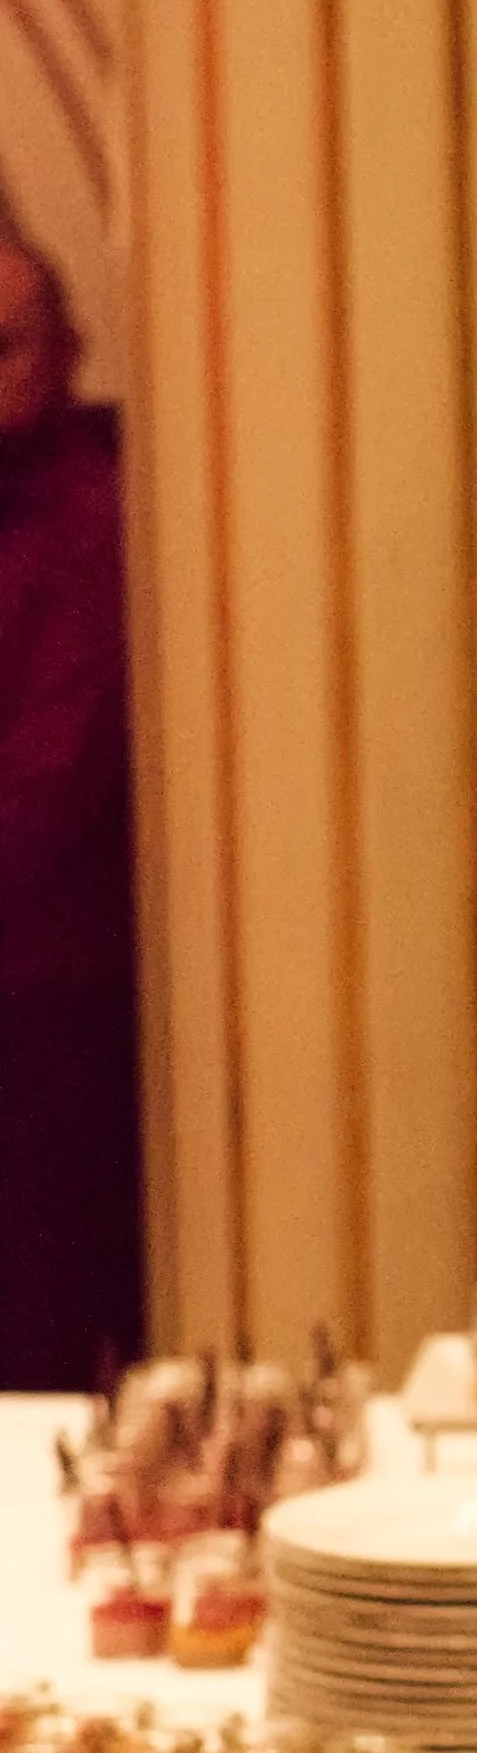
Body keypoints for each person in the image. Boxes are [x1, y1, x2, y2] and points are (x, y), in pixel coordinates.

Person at [0, 237, 141, 1387]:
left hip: (46, 1005)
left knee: (38, 1325)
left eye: (1, 346)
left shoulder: (89, 520)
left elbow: (48, 786)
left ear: (66, 351)